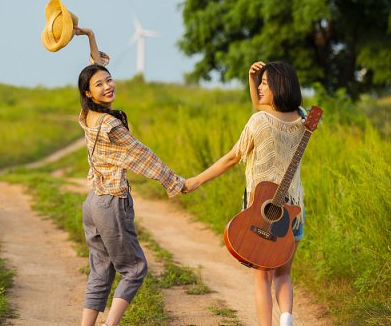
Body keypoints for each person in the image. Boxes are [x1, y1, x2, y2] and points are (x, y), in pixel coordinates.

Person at [73, 26, 191, 326]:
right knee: (134, 269)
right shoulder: (111, 126)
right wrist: (174, 182)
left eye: (109, 79)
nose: (108, 86)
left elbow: (94, 67)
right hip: (112, 203)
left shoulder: (88, 115)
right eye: (100, 84)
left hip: (93, 203)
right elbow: (143, 156)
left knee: (101, 270)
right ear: (89, 92)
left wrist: (89, 36)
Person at [184, 61, 307, 326]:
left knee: (262, 275)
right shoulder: (303, 119)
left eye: (265, 83)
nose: (260, 87)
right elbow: (263, 107)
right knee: (284, 273)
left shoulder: (259, 122)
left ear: (279, 85)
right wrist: (252, 80)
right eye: (260, 83)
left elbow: (232, 158)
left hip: (263, 210)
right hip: (294, 210)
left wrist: (197, 180)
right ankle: (286, 317)